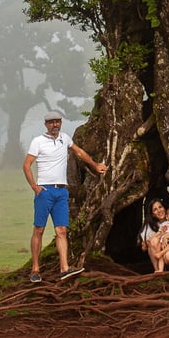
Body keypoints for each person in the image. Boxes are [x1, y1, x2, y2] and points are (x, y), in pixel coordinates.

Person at [22, 110, 108, 283]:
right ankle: (35, 269)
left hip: (62, 191)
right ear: (46, 124)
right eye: (51, 122)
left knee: (62, 230)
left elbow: (79, 152)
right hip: (44, 191)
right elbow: (26, 165)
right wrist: (34, 187)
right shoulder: (38, 142)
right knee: (39, 229)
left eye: (57, 121)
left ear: (61, 123)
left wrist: (95, 164)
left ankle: (64, 268)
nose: (55, 125)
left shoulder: (65, 138)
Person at [138, 199, 169, 272]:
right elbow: (144, 248)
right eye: (155, 210)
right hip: (159, 254)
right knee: (154, 240)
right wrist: (159, 235)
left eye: (160, 207)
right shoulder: (151, 226)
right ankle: (158, 271)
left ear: (164, 208)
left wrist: (167, 236)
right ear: (153, 214)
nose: (159, 210)